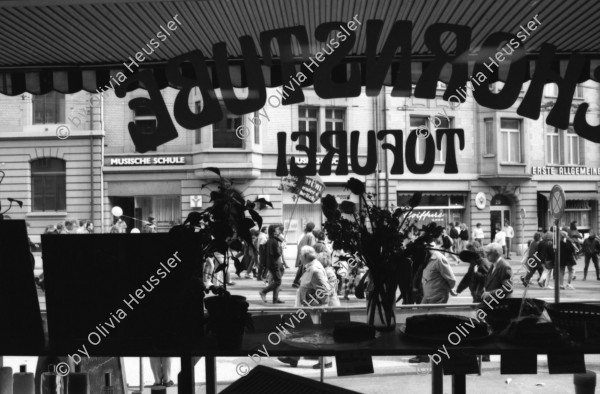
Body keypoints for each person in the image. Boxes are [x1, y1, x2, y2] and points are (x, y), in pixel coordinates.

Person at [279, 246, 333, 369]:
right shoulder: (310, 267)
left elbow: (325, 291)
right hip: (306, 308)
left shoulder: (315, 270)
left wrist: (310, 303)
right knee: (300, 332)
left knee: (313, 334)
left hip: (312, 309)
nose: (298, 257)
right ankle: (293, 357)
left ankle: (325, 361)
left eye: (300, 255)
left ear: (303, 257)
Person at [409, 245, 456, 363]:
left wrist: (449, 289)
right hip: (427, 295)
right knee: (421, 322)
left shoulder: (439, 259)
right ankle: (424, 354)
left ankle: (430, 354)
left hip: (438, 296)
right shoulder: (427, 259)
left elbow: (451, 278)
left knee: (432, 325)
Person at [259, 224, 285, 304]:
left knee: (276, 280)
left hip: (272, 263)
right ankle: (263, 291)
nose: (279, 231)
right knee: (278, 281)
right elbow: (277, 254)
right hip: (274, 263)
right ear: (274, 232)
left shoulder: (270, 240)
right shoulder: (274, 241)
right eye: (277, 230)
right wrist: (281, 249)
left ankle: (275, 299)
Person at [293, 222, 316, 288]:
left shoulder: (305, 235)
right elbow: (312, 246)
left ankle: (296, 281)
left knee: (301, 269)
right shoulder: (311, 236)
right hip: (307, 255)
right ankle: (302, 282)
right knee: (306, 269)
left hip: (303, 254)